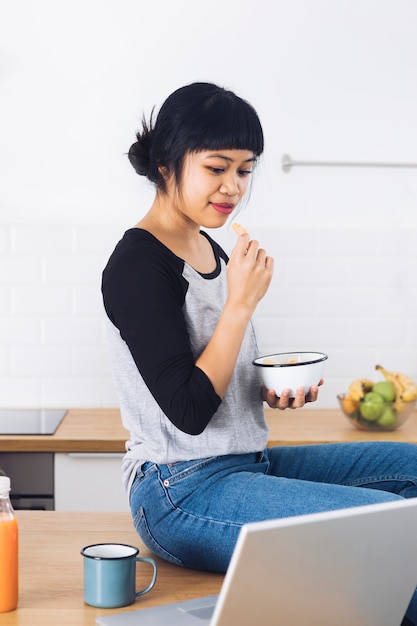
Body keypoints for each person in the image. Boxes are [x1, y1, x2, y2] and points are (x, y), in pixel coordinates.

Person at [102, 82, 417, 625]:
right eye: (217, 167)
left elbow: (217, 379)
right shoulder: (137, 265)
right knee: (387, 527)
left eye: (245, 171)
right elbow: (189, 410)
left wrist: (271, 388)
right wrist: (240, 304)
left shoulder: (211, 247)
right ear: (166, 163)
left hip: (246, 465)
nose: (233, 187)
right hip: (178, 489)